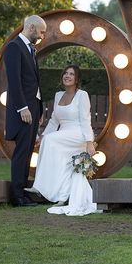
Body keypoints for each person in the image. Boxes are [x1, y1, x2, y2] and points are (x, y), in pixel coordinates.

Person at [30, 65, 100, 216]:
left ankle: (40, 186)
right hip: (62, 134)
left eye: (71, 74)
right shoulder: (58, 95)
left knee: (50, 141)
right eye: (65, 73)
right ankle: (63, 195)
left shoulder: (82, 95)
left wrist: (89, 141)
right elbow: (54, 120)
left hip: (78, 134)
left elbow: (85, 120)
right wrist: (42, 136)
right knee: (58, 157)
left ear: (77, 79)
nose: (67, 76)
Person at [4, 15, 47, 207]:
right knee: (21, 152)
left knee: (28, 152)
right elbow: (14, 81)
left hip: (33, 109)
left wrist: (39, 107)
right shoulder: (14, 47)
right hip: (23, 110)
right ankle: (16, 196)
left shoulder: (30, 49)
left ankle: (22, 192)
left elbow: (33, 82)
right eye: (41, 31)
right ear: (30, 27)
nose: (42, 36)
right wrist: (23, 107)